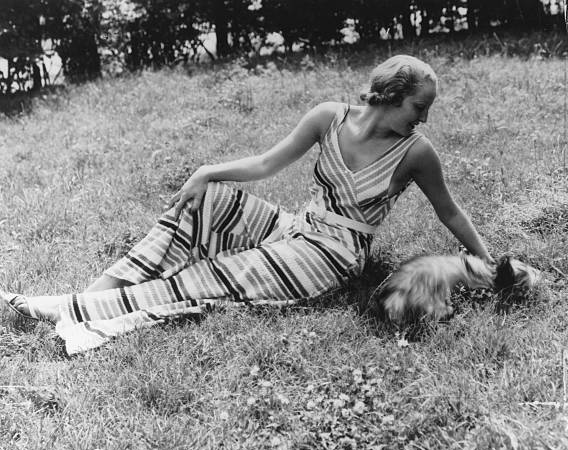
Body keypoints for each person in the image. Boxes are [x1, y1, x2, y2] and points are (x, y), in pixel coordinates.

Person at [2, 55, 494, 354]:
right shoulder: (330, 117)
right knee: (205, 203)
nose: (424, 118)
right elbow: (265, 163)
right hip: (297, 227)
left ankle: (62, 309)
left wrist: (486, 261)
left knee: (211, 276)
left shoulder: (416, 152)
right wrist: (206, 172)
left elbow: (449, 211)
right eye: (419, 106)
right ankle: (93, 296)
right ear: (391, 94)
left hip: (335, 255)